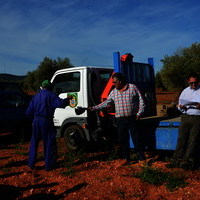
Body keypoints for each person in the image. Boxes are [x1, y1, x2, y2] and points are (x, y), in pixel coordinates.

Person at [88, 72, 145, 163]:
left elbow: (141, 100)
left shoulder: (132, 88)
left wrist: (139, 113)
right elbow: (106, 103)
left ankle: (141, 159)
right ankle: (126, 158)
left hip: (133, 118)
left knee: (136, 138)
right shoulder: (113, 92)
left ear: (121, 81)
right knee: (123, 140)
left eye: (115, 82)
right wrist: (94, 108)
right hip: (120, 120)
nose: (113, 84)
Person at [26, 80, 72, 171]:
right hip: (46, 121)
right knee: (49, 143)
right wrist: (68, 99)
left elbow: (28, 112)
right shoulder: (51, 95)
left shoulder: (36, 96)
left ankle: (31, 164)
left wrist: (33, 120)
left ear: (42, 87)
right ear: (50, 87)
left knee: (34, 142)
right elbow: (60, 103)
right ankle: (49, 165)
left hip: (36, 121)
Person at [170, 73, 200, 170]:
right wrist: (181, 107)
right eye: (191, 83)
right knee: (181, 138)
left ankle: (186, 161)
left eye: (195, 83)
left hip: (197, 117)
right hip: (186, 116)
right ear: (188, 82)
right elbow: (179, 104)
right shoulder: (185, 91)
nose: (194, 85)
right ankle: (175, 160)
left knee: (193, 140)